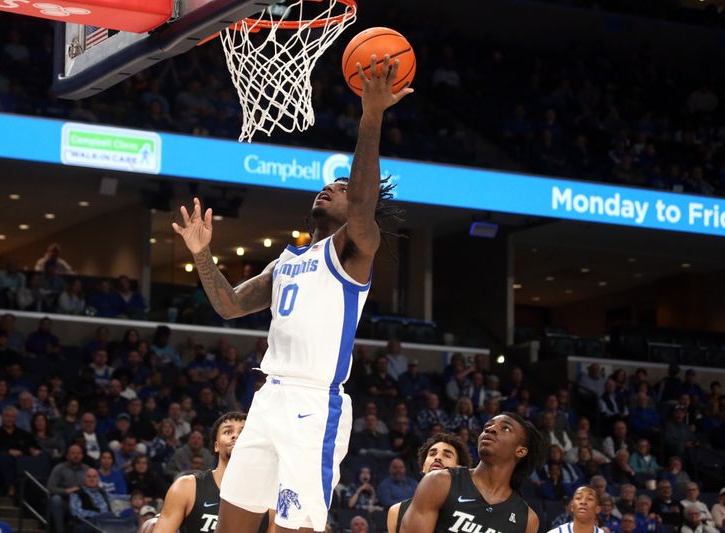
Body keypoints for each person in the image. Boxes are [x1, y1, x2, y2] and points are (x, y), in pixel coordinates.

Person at [171, 54, 411, 533]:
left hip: (313, 404)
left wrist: (371, 115)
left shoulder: (355, 249)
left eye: (340, 187)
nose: (329, 188)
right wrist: (201, 253)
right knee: (230, 525)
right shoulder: (287, 260)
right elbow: (230, 305)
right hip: (269, 397)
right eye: (328, 184)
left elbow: (364, 205)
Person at [400, 412, 545, 533]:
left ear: (520, 451)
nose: (491, 429)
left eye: (505, 428)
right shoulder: (440, 481)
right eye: (487, 426)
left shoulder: (527, 519)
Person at [152, 412, 273, 533]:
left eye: (243, 433)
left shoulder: (270, 503)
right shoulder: (187, 487)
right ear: (216, 446)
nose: (236, 435)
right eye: (228, 432)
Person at [387, 433, 470, 533]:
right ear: (423, 467)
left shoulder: (472, 510)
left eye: (447, 455)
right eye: (432, 454)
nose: (437, 458)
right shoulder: (396, 511)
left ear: (459, 469)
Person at [47, 445, 90, 533]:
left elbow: (94, 485)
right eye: (73, 453)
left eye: (79, 453)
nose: (76, 455)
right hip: (65, 502)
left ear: (82, 456)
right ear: (67, 456)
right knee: (56, 499)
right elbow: (50, 488)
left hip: (82, 502)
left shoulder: (87, 469)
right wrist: (66, 491)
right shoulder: (59, 468)